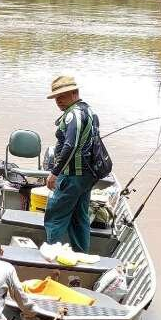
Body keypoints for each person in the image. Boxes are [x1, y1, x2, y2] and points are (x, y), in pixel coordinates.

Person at [44, 75, 97, 253]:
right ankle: (82, 255)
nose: (58, 101)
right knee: (79, 217)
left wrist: (55, 173)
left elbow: (70, 145)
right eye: (56, 98)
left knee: (55, 215)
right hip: (87, 176)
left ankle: (51, 255)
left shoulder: (72, 115)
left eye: (62, 96)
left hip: (72, 175)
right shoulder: (88, 111)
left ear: (75, 93)